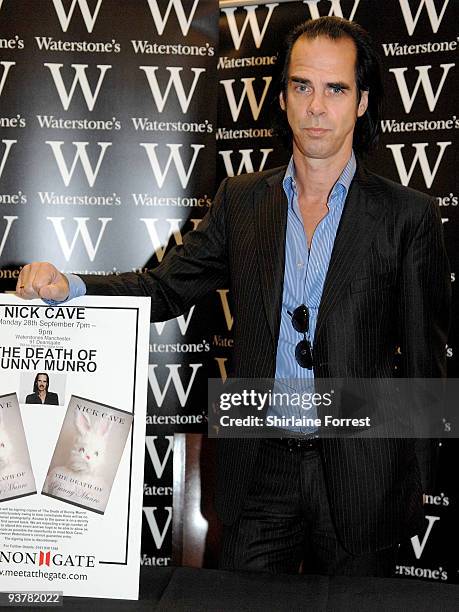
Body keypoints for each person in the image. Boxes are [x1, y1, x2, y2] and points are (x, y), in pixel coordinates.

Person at [16, 17, 450, 576]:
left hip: (364, 478)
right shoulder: (241, 200)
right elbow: (164, 288)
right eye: (301, 86)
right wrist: (70, 286)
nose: (316, 106)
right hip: (259, 471)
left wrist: (414, 480)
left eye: (335, 88)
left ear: (362, 101)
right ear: (283, 96)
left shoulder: (407, 215)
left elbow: (424, 361)